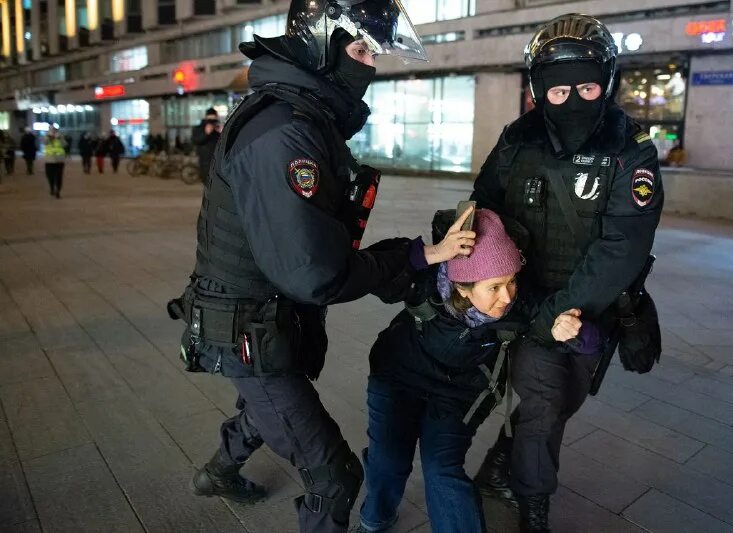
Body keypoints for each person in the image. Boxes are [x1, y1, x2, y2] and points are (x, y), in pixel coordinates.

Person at [170, 2, 459, 532]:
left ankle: (216, 473)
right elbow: (315, 272)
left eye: (374, 52)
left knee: (266, 408)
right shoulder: (286, 131)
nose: (369, 64)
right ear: (318, 46)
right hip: (247, 330)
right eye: (358, 49)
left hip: (259, 317)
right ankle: (224, 472)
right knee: (334, 477)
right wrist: (409, 259)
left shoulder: (299, 115)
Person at [470, 14, 664, 532]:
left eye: (587, 86)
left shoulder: (630, 147)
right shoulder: (519, 139)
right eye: (558, 92)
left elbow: (624, 242)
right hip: (528, 301)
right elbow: (483, 207)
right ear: (538, 92)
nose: (573, 100)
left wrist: (564, 310)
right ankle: (532, 505)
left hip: (589, 308)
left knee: (566, 398)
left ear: (608, 82)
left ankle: (500, 464)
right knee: (546, 401)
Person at [357, 209, 542, 533]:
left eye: (511, 281)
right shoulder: (425, 281)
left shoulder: (520, 306)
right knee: (389, 459)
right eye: (495, 286)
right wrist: (429, 253)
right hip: (399, 376)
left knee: (442, 469)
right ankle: (375, 519)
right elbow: (367, 269)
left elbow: (556, 316)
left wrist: (572, 325)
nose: (507, 295)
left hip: (461, 394)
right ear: (462, 288)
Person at [191, 107, 221, 184]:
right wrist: (206, 133)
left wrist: (223, 133)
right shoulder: (198, 128)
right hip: (205, 162)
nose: (212, 123)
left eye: (214, 120)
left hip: (218, 162)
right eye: (210, 120)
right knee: (207, 185)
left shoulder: (217, 129)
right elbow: (196, 141)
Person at [43, 126, 67, 198]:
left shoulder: (60, 137)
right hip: (49, 160)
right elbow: (45, 142)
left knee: (58, 176)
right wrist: (49, 137)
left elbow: (65, 145)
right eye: (51, 130)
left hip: (59, 160)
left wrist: (59, 138)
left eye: (54, 130)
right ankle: (52, 188)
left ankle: (58, 191)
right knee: (49, 176)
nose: (53, 132)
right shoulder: (47, 137)